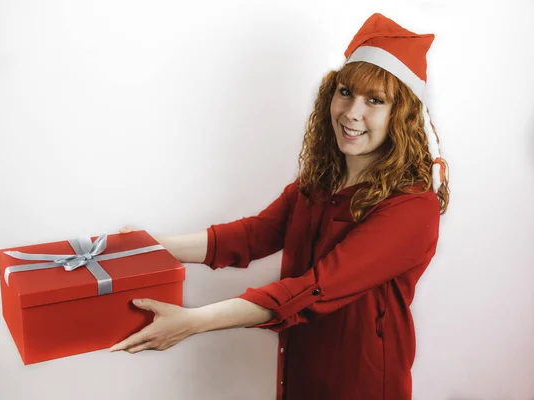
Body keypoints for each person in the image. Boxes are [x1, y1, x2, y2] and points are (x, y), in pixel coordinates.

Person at [110, 12, 449, 400]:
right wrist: (146, 247)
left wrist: (193, 321)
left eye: (375, 100)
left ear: (401, 116)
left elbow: (314, 288)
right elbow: (252, 235)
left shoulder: (411, 208)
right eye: (345, 92)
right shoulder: (319, 184)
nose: (352, 112)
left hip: (361, 388)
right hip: (298, 377)